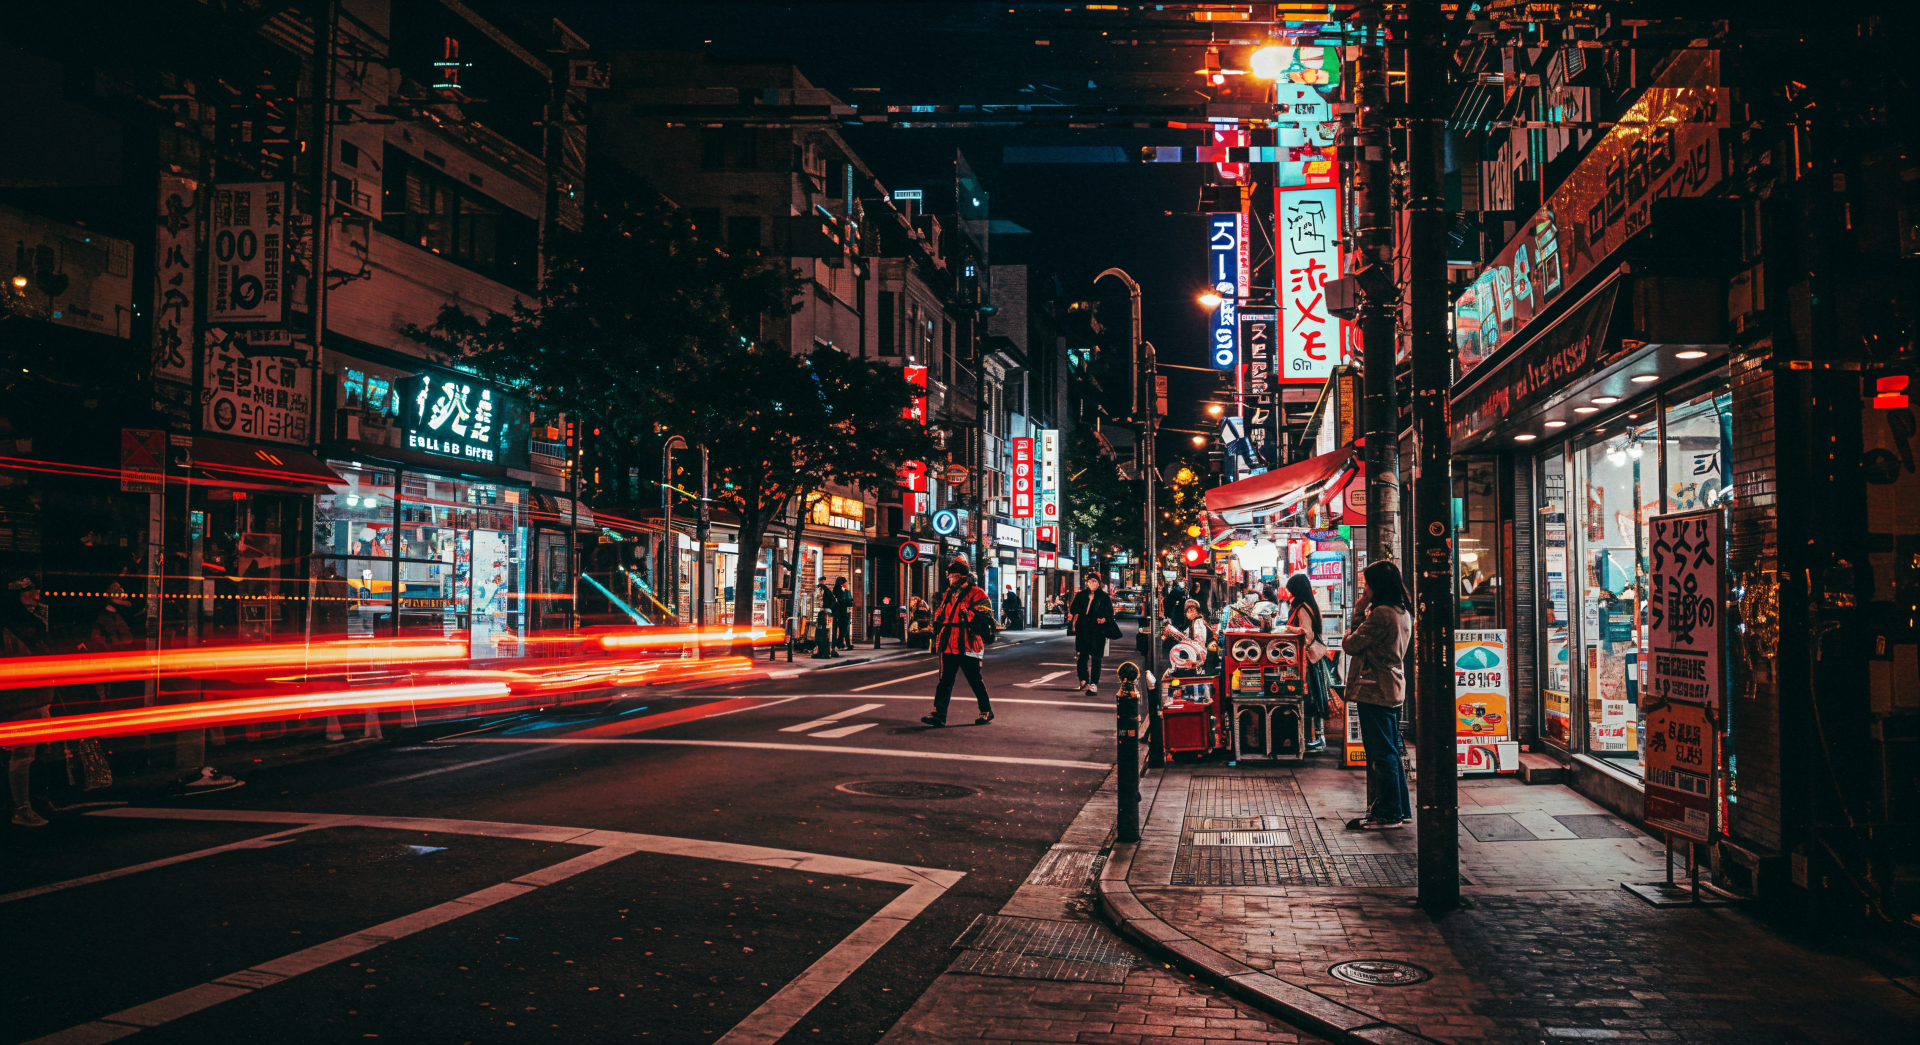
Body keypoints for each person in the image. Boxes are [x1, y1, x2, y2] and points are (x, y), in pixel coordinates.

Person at [1343, 560, 1413, 830]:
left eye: (1367, 583)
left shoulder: (1381, 613)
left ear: (1377, 585)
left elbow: (1352, 644)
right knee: (1390, 751)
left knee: (1381, 753)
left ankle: (1388, 813)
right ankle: (1399, 808)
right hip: (1392, 688)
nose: (1364, 589)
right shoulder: (1402, 611)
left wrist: (1358, 612)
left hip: (1376, 690)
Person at [2, 577, 55, 827]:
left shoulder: (29, 624)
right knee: (22, 755)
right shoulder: (13, 628)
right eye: (28, 593)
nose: (36, 597)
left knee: (31, 754)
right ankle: (21, 808)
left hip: (35, 697)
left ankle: (27, 801)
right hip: (22, 700)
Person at [921, 560, 995, 726]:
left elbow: (985, 615)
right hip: (948, 644)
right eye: (950, 576)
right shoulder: (947, 594)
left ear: (963, 576)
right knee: (944, 681)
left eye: (955, 576)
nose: (951, 579)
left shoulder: (977, 593)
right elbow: (941, 613)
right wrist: (936, 622)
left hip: (968, 644)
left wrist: (968, 612)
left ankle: (986, 711)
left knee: (974, 680)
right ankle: (938, 715)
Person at [1285, 573, 1332, 753]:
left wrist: (1288, 628)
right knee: (1316, 700)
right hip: (1314, 660)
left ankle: (1315, 739)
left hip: (1309, 661)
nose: (1290, 594)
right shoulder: (1311, 605)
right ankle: (1317, 738)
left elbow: (1306, 633)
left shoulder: (1303, 608)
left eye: (1291, 591)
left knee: (1311, 699)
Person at [1068, 574, 1115, 697]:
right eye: (1090, 581)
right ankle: (1083, 679)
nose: (1092, 584)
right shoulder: (1081, 595)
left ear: (1099, 583)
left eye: (1094, 581)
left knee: (1096, 658)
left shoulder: (1104, 597)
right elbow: (1073, 610)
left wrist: (1104, 619)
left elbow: (1109, 613)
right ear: (1087, 583)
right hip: (1083, 630)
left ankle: (1093, 684)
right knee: (1081, 656)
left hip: (1097, 631)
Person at [811, 583, 838, 659]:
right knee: (825, 635)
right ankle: (824, 651)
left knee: (823, 635)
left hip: (824, 617)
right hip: (826, 616)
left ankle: (823, 651)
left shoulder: (824, 613)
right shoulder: (829, 595)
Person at [830, 576, 853, 650]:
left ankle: (839, 643)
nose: (847, 584)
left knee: (842, 629)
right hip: (840, 612)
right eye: (845, 583)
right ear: (842, 584)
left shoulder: (845, 591)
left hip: (841, 612)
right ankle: (838, 644)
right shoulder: (839, 590)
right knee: (842, 629)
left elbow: (850, 602)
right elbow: (846, 601)